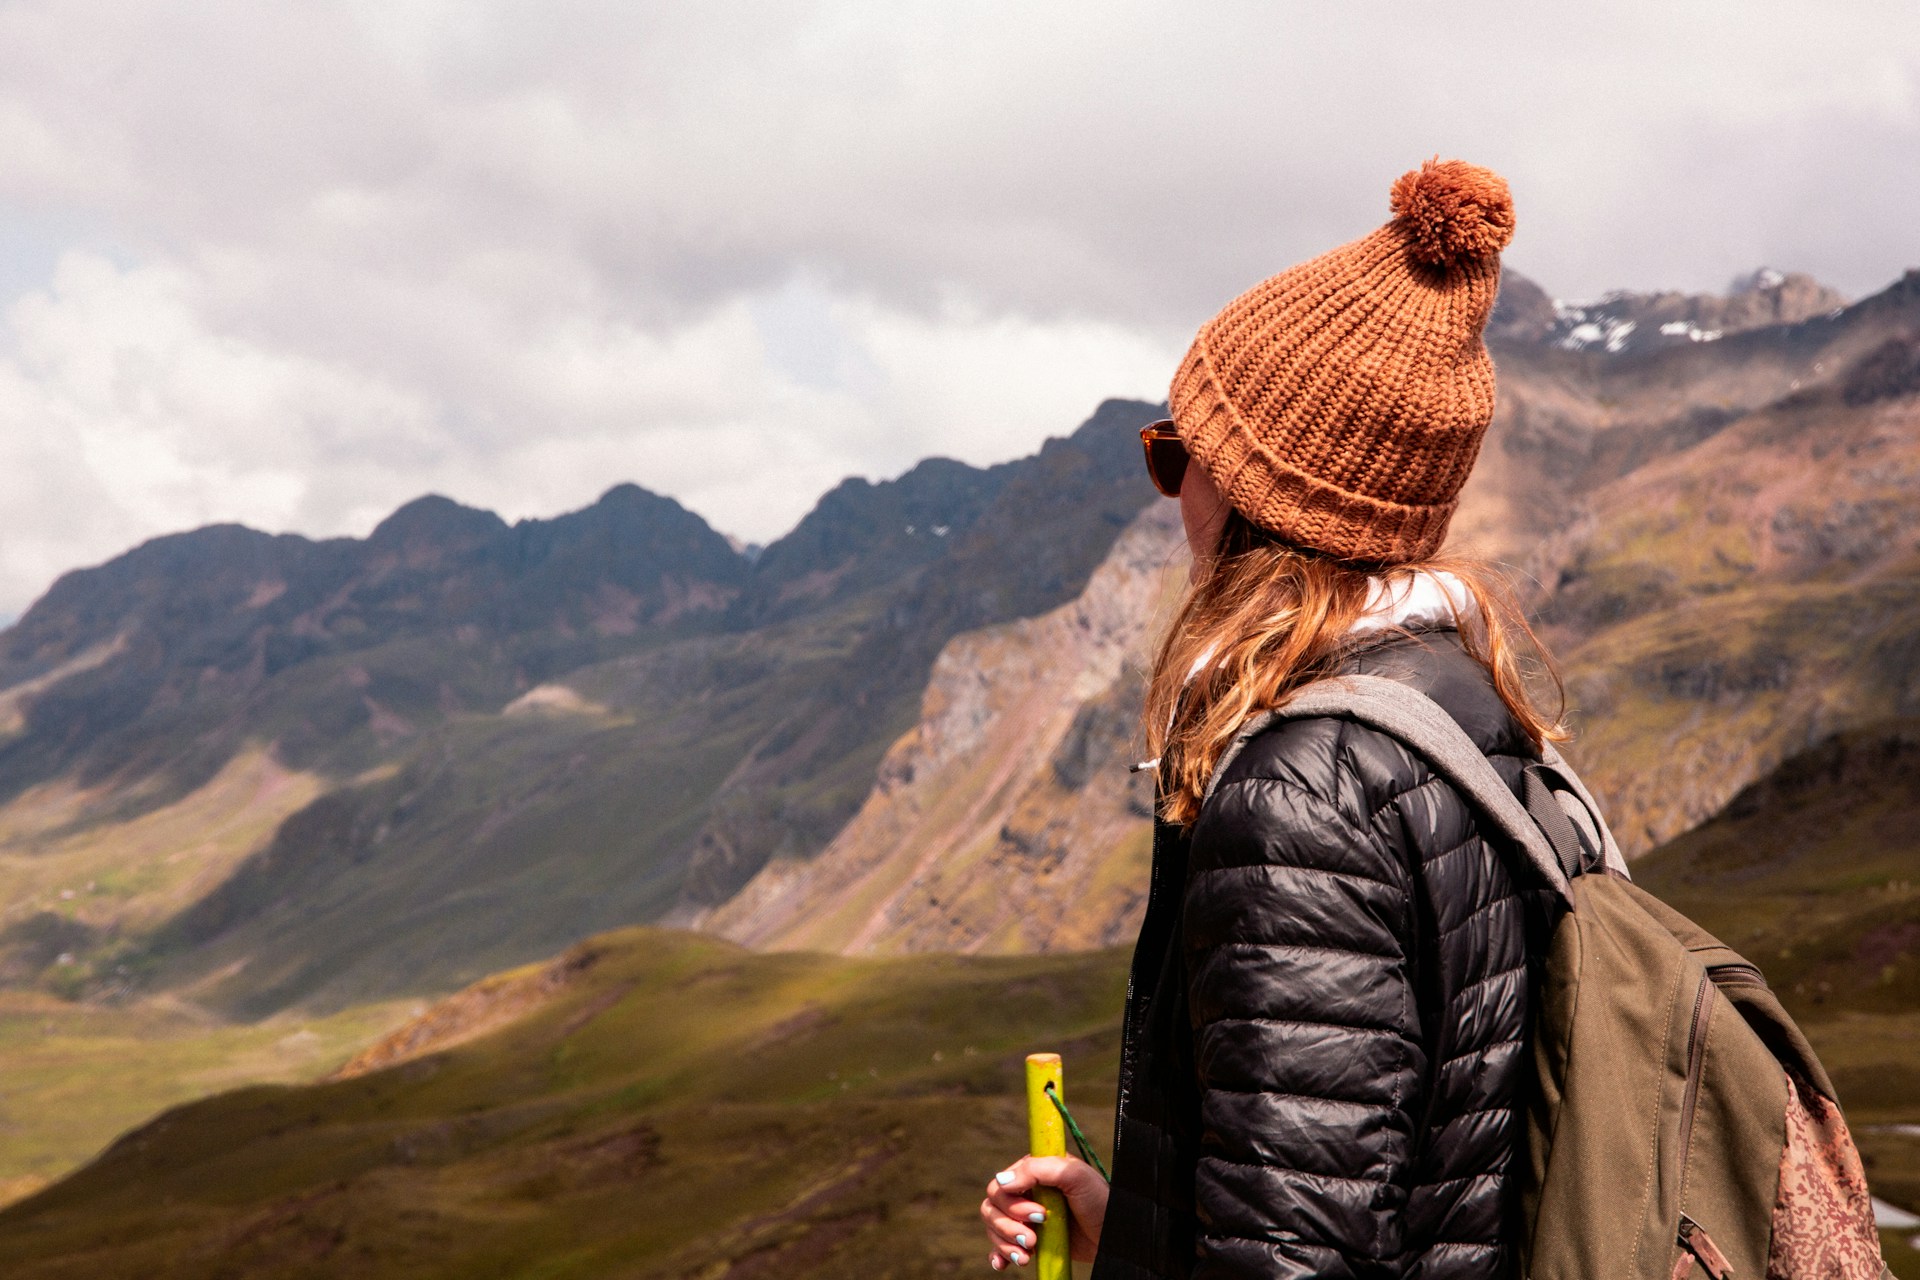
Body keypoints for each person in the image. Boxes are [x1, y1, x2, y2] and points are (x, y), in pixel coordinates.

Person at [981, 159, 1567, 1278]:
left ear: (1254, 493)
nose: (1173, 494)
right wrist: (1137, 1224)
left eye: (1178, 454)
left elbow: (1297, 1256)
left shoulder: (1302, 793)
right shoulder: (1472, 725)